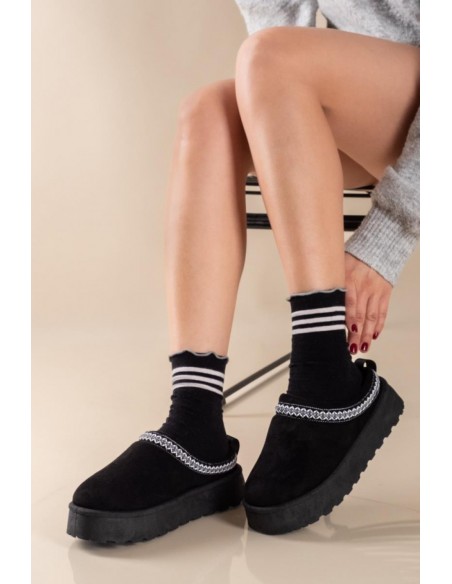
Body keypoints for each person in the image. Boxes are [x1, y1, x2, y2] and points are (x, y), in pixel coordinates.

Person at [66, 0, 420, 543]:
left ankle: (325, 375)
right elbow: (276, 44)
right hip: (377, 101)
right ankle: (195, 426)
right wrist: (276, 103)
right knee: (209, 113)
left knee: (271, 57)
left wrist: (386, 239)